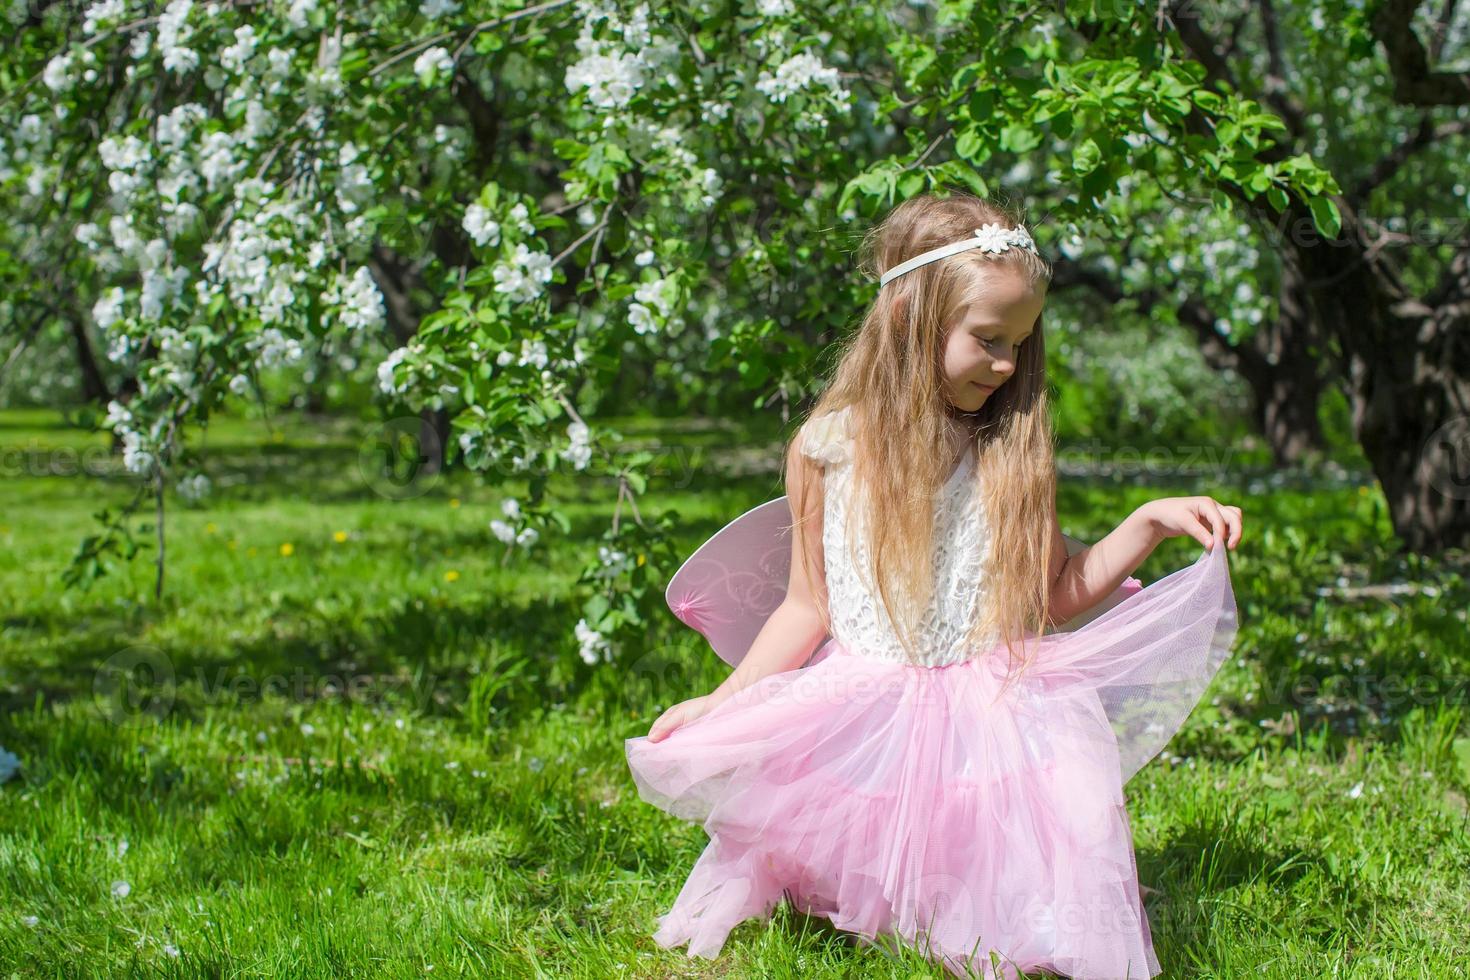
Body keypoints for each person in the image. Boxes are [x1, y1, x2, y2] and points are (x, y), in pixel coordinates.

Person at [624, 190, 1243, 979]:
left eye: (1021, 342)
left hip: (992, 710)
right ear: (914, 319)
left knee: (1021, 903)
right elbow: (808, 606)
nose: (1009, 364)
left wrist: (1146, 523)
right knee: (856, 853)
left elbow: (1051, 595)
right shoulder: (826, 451)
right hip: (867, 704)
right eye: (989, 339)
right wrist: (727, 699)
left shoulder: (1013, 452)